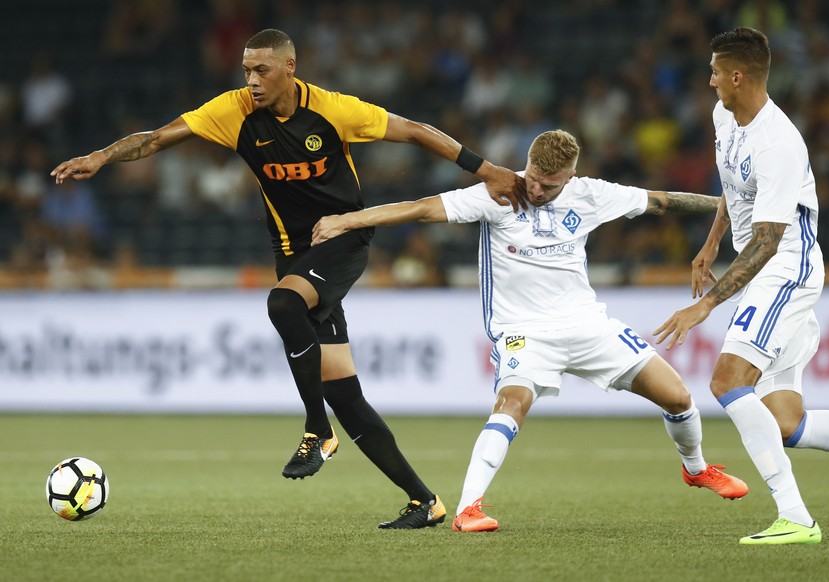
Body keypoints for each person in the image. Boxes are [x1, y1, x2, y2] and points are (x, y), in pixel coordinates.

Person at [51, 28, 524, 529]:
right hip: (293, 255)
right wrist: (100, 156)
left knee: (282, 306)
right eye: (246, 70)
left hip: (343, 241)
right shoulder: (233, 111)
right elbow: (157, 138)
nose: (251, 81)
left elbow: (414, 130)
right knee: (345, 393)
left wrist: (486, 169)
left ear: (290, 68)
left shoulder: (333, 110)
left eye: (262, 70)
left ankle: (317, 430)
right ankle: (424, 502)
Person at [312, 129, 749, 532]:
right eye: (535, 179)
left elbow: (661, 201)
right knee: (513, 401)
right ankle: (468, 509)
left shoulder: (591, 195)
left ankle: (695, 469)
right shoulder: (499, 193)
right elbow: (421, 209)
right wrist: (348, 220)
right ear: (528, 164)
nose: (537, 191)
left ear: (571, 177)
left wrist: (733, 203)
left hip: (586, 324)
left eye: (549, 185)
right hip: (523, 331)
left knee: (678, 396)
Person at [654, 27, 829, 546]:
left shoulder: (780, 143)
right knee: (786, 423)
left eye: (713, 72)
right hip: (767, 263)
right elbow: (733, 186)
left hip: (786, 268)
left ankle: (795, 517)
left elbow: (770, 242)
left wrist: (705, 305)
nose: (708, 82)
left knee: (728, 382)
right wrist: (710, 245)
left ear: (737, 75)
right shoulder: (723, 117)